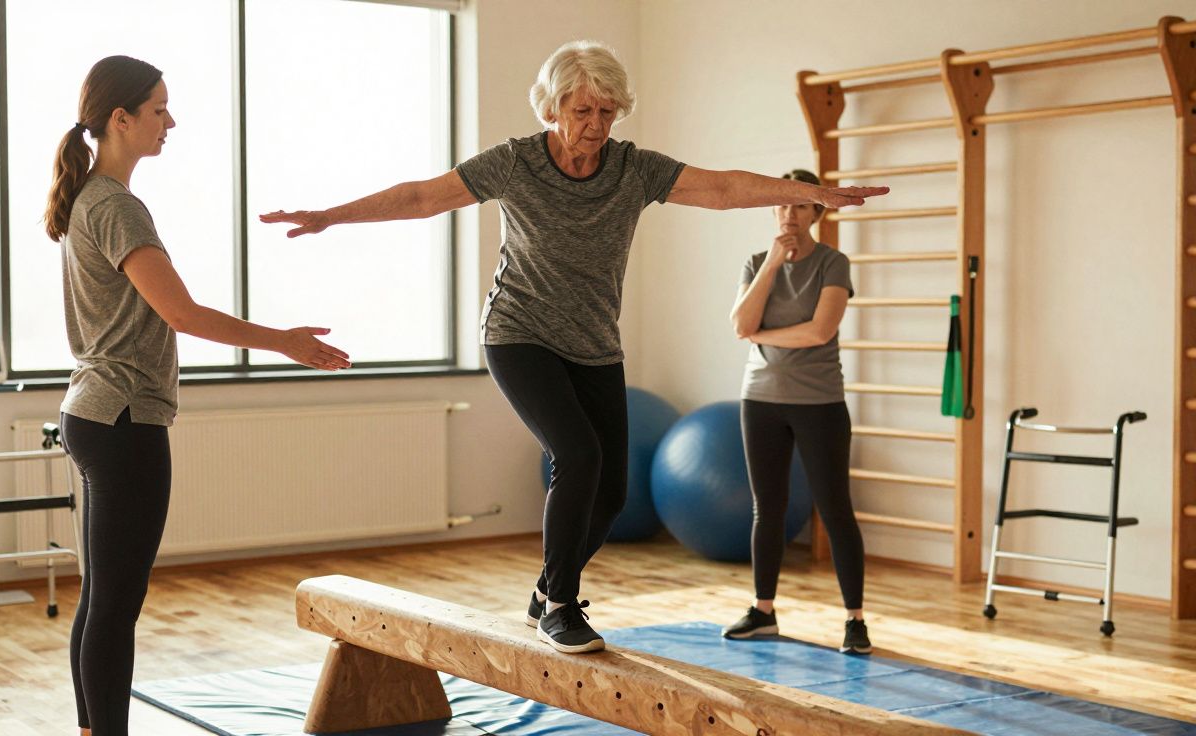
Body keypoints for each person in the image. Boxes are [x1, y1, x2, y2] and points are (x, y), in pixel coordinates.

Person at [260, 41, 886, 655]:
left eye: (607, 112)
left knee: (612, 490)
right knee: (578, 454)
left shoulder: (633, 168)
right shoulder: (515, 162)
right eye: (582, 111)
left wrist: (814, 196)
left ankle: (543, 592)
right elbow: (426, 197)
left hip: (593, 343)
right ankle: (560, 604)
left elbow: (720, 188)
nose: (595, 125)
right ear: (551, 109)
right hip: (519, 332)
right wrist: (330, 216)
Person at [45, 55, 350, 736]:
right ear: (119, 119)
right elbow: (180, 312)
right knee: (116, 601)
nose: (170, 121)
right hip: (123, 418)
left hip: (94, 411)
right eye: (158, 109)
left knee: (103, 597)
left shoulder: (87, 198)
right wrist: (286, 341)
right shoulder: (115, 205)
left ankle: (94, 730)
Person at [723, 169, 871, 655]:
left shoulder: (833, 263)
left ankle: (855, 619)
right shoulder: (754, 261)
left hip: (819, 402)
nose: (789, 213)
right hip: (760, 399)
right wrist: (771, 264)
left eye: (799, 205)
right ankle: (763, 611)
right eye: (782, 204)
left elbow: (818, 332)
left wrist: (762, 337)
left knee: (835, 509)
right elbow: (740, 322)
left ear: (816, 212)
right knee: (767, 509)